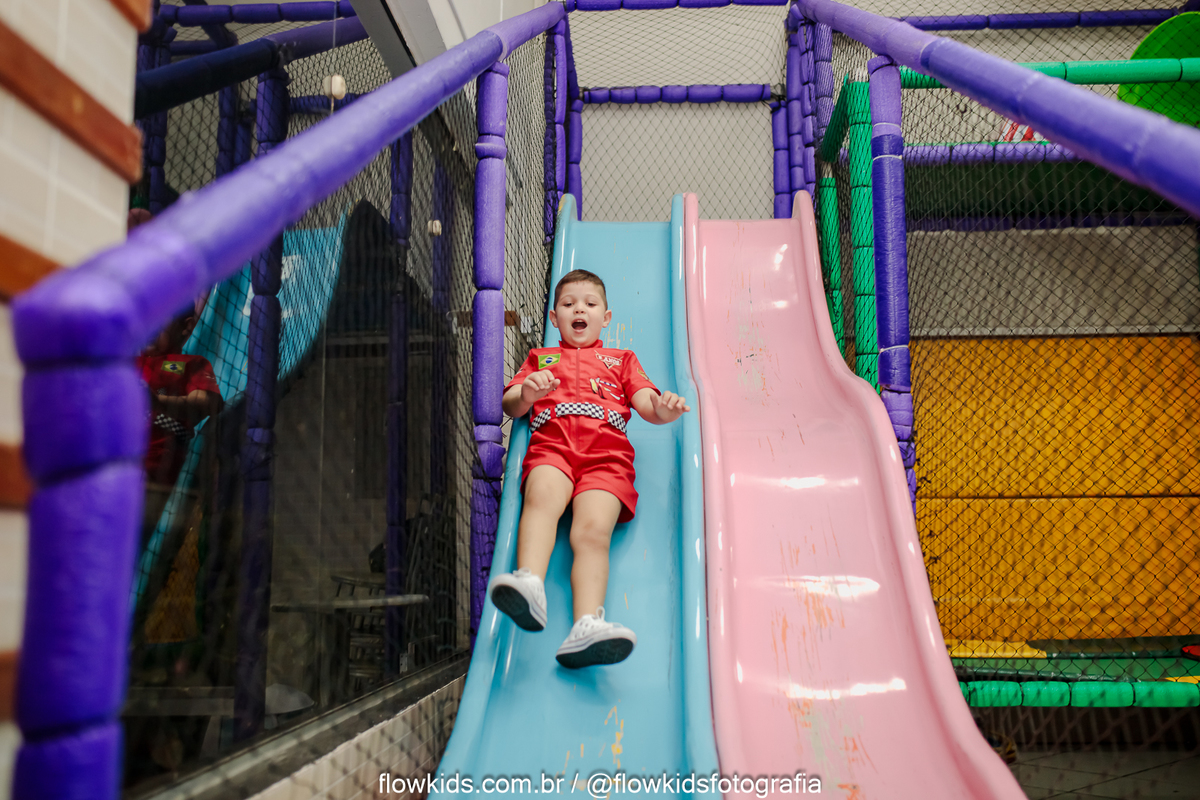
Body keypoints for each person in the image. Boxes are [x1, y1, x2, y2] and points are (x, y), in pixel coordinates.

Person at [488, 269, 690, 668]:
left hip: (607, 458)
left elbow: (647, 403)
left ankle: (586, 625)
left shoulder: (622, 360)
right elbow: (510, 403)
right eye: (568, 304)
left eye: (590, 304)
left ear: (606, 317)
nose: (579, 309)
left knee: (593, 532)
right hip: (554, 446)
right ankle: (530, 583)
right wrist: (527, 393)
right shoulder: (541, 359)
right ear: (554, 317)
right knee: (542, 499)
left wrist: (663, 411)